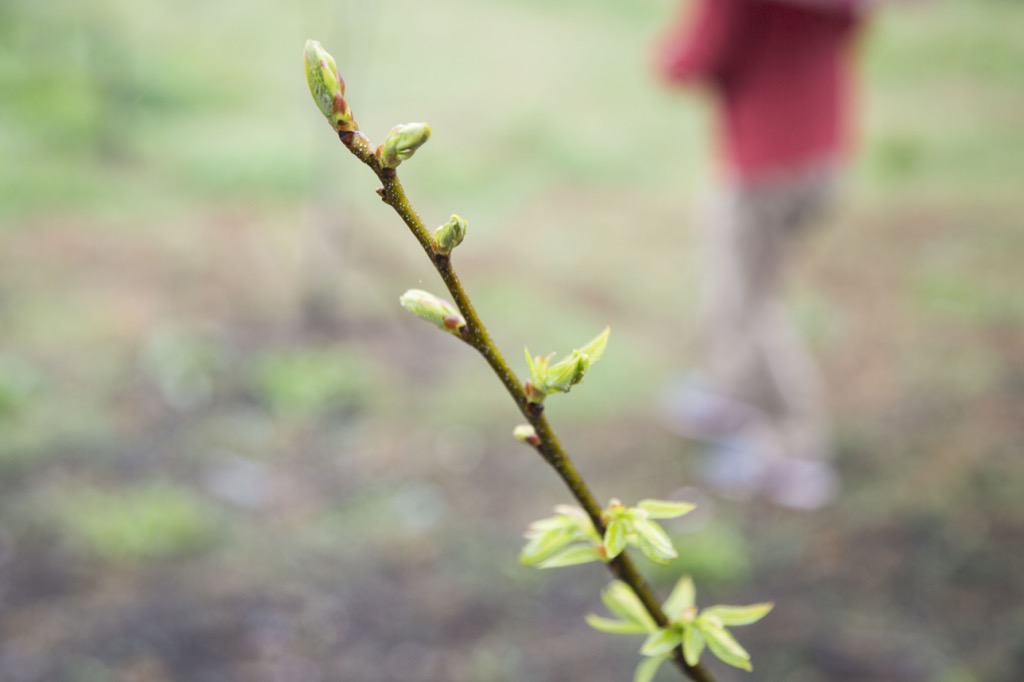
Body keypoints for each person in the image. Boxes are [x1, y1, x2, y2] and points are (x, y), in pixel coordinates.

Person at [656, 0, 867, 509]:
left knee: (745, 303)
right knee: (753, 287)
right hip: (823, 156)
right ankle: (732, 392)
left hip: (762, 165)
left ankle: (794, 446)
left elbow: (692, 61)